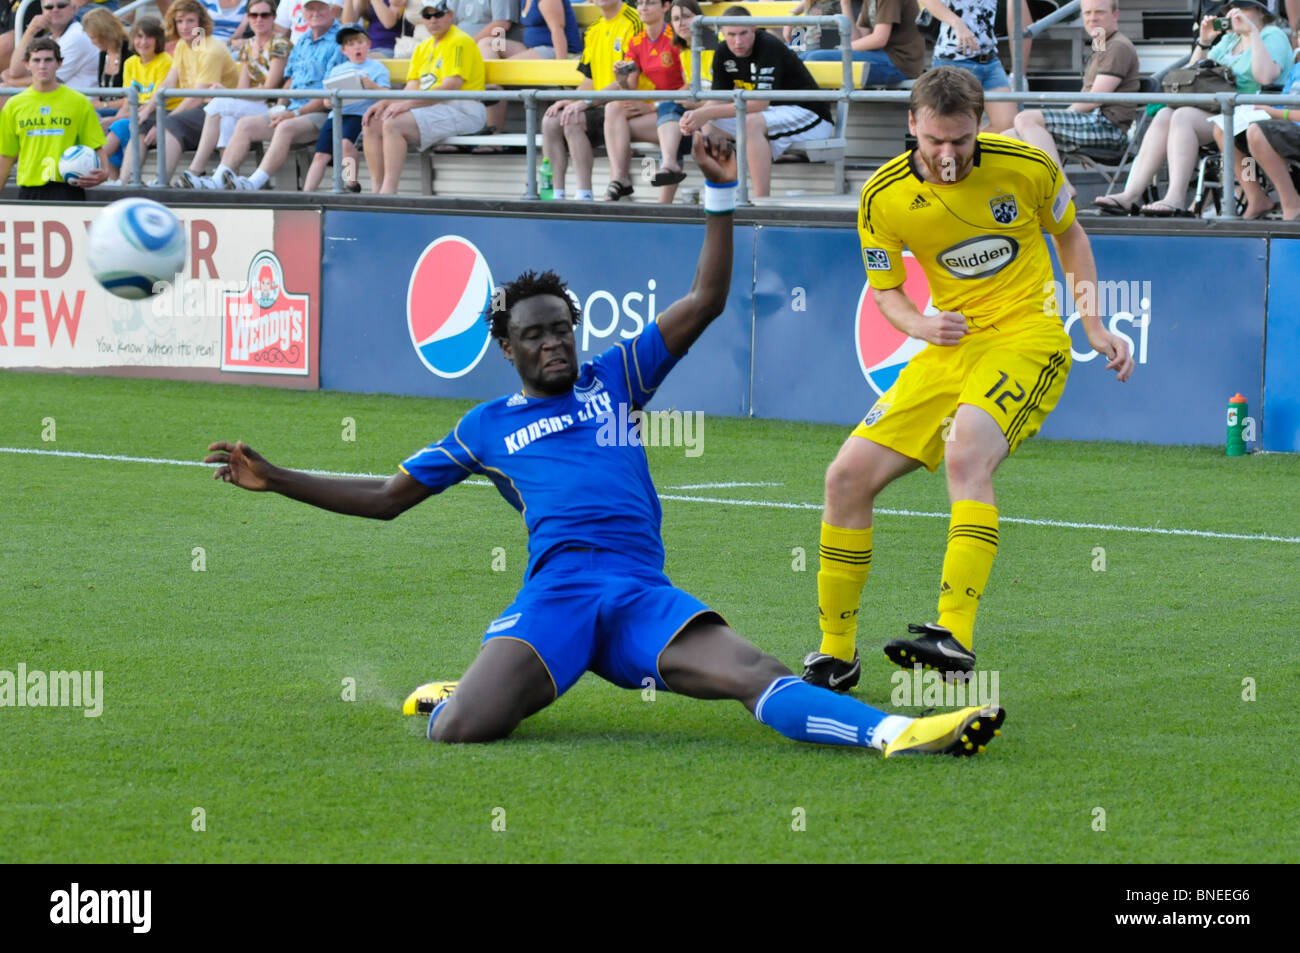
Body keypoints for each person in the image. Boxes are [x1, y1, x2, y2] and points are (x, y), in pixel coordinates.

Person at [204, 131, 1005, 758]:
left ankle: (894, 732)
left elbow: (709, 297)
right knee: (455, 734)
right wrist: (275, 477)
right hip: (553, 598)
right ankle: (480, 685)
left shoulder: (617, 377)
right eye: (535, 336)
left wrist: (720, 192)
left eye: (562, 329)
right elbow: (385, 500)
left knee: (757, 673)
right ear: (507, 350)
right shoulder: (485, 425)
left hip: (635, 593)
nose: (555, 344)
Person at [800, 66, 1133, 693]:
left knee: (965, 453)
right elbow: (888, 292)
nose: (948, 156)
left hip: (1026, 337)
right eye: (934, 143)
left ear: (979, 125)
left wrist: (1093, 323)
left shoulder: (1026, 166)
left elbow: (1072, 237)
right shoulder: (882, 196)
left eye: (960, 141)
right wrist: (921, 327)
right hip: (946, 347)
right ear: (911, 127)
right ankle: (835, 654)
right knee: (844, 478)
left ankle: (953, 634)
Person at [1095, 0, 1290, 217]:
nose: (1236, 12)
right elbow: (1190, 77)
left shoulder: (1273, 35)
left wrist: (1252, 33)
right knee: (1164, 114)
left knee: (1182, 116)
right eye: (1232, 7)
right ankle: (1130, 195)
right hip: (1218, 110)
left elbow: (1265, 77)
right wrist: (1204, 43)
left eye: (1243, 7)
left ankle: (1175, 198)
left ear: (1261, 12)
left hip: (1253, 111)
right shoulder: (1228, 39)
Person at [679, 5, 834, 199]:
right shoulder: (722, 52)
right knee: (711, 125)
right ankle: (726, 189)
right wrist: (696, 116)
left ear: (754, 29)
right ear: (723, 34)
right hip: (773, 115)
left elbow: (759, 104)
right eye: (731, 35)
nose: (738, 41)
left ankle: (761, 202)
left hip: (812, 117)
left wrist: (706, 112)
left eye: (743, 33)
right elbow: (718, 98)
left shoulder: (768, 45)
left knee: (750, 122)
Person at [204, 0, 342, 190]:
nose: (315, 13)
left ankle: (254, 183)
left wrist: (293, 113)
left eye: (321, 8)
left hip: (326, 114)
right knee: (246, 124)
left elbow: (329, 94)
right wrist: (281, 108)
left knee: (285, 126)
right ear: (303, 12)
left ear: (333, 10)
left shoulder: (341, 40)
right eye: (311, 8)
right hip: (295, 110)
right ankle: (218, 180)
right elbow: (290, 80)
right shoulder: (303, 40)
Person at [1008, 0, 1139, 198]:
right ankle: (1027, 196)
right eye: (1087, 13)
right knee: (1006, 137)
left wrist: (1063, 114)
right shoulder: (1103, 43)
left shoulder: (1118, 46)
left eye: (1099, 13)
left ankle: (1061, 188)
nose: (1092, 18)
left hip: (1107, 128)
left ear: (1115, 15)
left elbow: (1095, 99)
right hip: (1094, 122)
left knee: (1026, 119)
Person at [362, 0, 485, 194]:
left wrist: (408, 104)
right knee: (372, 121)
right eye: (427, 15)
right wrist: (385, 102)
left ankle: (388, 193)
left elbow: (451, 86)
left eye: (438, 14)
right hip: (433, 106)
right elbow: (412, 88)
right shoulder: (422, 47)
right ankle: (376, 190)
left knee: (394, 123)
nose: (433, 20)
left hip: (462, 108)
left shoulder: (459, 41)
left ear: (450, 15)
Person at [114, 0, 239, 188]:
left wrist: (161, 121)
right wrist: (147, 111)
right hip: (199, 109)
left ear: (201, 23)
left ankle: (161, 182)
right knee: (141, 122)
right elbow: (168, 82)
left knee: (170, 122)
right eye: (180, 21)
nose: (185, 26)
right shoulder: (183, 45)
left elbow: (198, 96)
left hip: (221, 111)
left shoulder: (210, 49)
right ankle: (125, 182)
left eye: (190, 21)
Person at [175, 0, 289, 188]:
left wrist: (227, 92)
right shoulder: (247, 45)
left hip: (271, 105)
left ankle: (196, 170)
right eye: (253, 15)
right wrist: (231, 94)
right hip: (253, 102)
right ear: (248, 18)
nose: (258, 19)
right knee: (225, 115)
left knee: (218, 104)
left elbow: (269, 88)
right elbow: (243, 87)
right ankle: (223, 177)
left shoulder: (280, 43)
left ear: (274, 17)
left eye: (264, 15)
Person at [541, 0, 639, 200]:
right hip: (598, 102)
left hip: (623, 104)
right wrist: (569, 99)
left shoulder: (634, 21)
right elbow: (589, 80)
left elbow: (629, 80)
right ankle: (555, 194)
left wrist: (585, 102)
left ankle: (584, 194)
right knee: (551, 119)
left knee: (573, 119)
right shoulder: (594, 29)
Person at [0, 37, 109, 199]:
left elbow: (96, 145)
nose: (42, 65)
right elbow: (6, 154)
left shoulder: (78, 102)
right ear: (27, 65)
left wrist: (105, 173)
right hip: (30, 189)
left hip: (68, 188)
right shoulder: (14, 105)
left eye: (48, 60)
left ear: (59, 63)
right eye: (36, 60)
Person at [604, 0, 682, 202]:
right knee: (613, 108)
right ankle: (619, 178)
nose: (643, 8)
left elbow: (690, 84)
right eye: (640, 3)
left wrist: (650, 106)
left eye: (650, 3)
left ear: (666, 7)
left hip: (680, 109)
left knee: (616, 128)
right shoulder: (636, 42)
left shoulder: (676, 37)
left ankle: (623, 181)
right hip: (657, 111)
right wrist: (621, 80)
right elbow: (629, 89)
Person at [1221, 24, 1300, 219]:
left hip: (1291, 128)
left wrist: (1274, 112)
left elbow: (1281, 111)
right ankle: (1255, 195)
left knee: (1256, 132)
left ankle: (1291, 203)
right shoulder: (1297, 68)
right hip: (1284, 127)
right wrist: (1263, 108)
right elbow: (1281, 105)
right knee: (1226, 129)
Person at [302, 24, 390, 190]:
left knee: (345, 145)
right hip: (336, 115)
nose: (356, 47)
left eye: (359, 42)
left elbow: (387, 94)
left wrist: (371, 85)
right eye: (350, 44)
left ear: (368, 45)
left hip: (359, 115)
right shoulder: (337, 70)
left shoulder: (377, 68)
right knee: (320, 155)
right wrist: (328, 102)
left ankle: (350, 184)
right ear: (344, 51)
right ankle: (307, 193)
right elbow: (327, 99)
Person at [477, 0, 566, 140]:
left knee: (501, 70)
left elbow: (557, 30)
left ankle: (494, 132)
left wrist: (562, 68)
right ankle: (492, 88)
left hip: (552, 50)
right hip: (532, 49)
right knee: (486, 43)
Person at [920, 1, 1016, 130]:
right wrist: (956, 22)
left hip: (989, 58)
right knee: (955, 126)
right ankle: (961, 147)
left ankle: (969, 147)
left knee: (1007, 124)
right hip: (954, 60)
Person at [802, 0, 926, 94]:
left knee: (815, 57)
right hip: (881, 56)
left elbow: (879, 39)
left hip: (899, 62)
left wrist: (840, 49)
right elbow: (857, 39)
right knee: (804, 57)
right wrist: (845, 5)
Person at [102, 17, 172, 184]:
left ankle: (93, 171)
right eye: (139, 37)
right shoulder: (130, 63)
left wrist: (119, 119)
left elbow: (159, 100)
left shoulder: (165, 61)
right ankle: (110, 179)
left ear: (158, 40)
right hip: (138, 113)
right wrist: (114, 118)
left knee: (118, 126)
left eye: (149, 37)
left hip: (160, 111)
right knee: (106, 125)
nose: (143, 42)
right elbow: (129, 101)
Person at [2, 0, 99, 93]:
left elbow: (49, 81)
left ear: (73, 8)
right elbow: (15, 72)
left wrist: (12, 81)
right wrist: (30, 32)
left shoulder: (77, 36)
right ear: (42, 11)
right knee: (3, 89)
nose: (55, 10)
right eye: (49, 7)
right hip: (56, 99)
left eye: (61, 6)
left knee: (3, 91)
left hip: (79, 103)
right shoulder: (50, 37)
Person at [80, 6, 130, 117]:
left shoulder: (130, 52)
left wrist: (103, 105)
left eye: (93, 37)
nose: (92, 42)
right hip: (106, 111)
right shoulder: (103, 53)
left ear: (104, 34)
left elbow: (134, 96)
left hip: (125, 112)